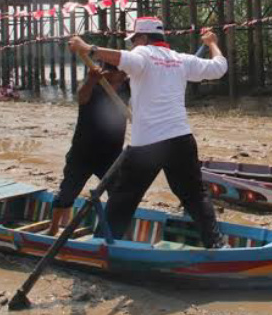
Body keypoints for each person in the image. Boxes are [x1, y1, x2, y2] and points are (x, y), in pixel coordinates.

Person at [67, 18, 228, 248]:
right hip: (181, 139)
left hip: (148, 145)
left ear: (143, 38)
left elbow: (123, 57)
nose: (133, 44)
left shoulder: (142, 54)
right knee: (194, 195)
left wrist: (88, 49)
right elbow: (219, 67)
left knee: (124, 197)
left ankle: (102, 245)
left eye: (134, 40)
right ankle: (216, 244)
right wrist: (212, 43)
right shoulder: (181, 59)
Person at [48, 61, 130, 236]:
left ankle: (112, 234)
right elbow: (81, 97)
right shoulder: (95, 85)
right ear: (109, 73)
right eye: (120, 73)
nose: (123, 76)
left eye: (124, 72)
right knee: (67, 193)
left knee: (118, 196)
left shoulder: (128, 87)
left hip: (112, 154)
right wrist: (92, 80)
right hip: (83, 152)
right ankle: (53, 228)